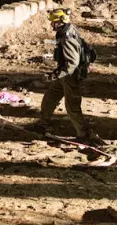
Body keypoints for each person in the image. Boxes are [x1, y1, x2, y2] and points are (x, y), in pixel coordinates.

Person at [37, 8, 94, 140]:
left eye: (54, 22)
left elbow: (72, 63)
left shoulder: (67, 37)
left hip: (70, 76)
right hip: (64, 74)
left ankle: (83, 134)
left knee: (72, 107)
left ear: (60, 22)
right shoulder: (66, 31)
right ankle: (42, 123)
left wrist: (55, 75)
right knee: (50, 97)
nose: (52, 25)